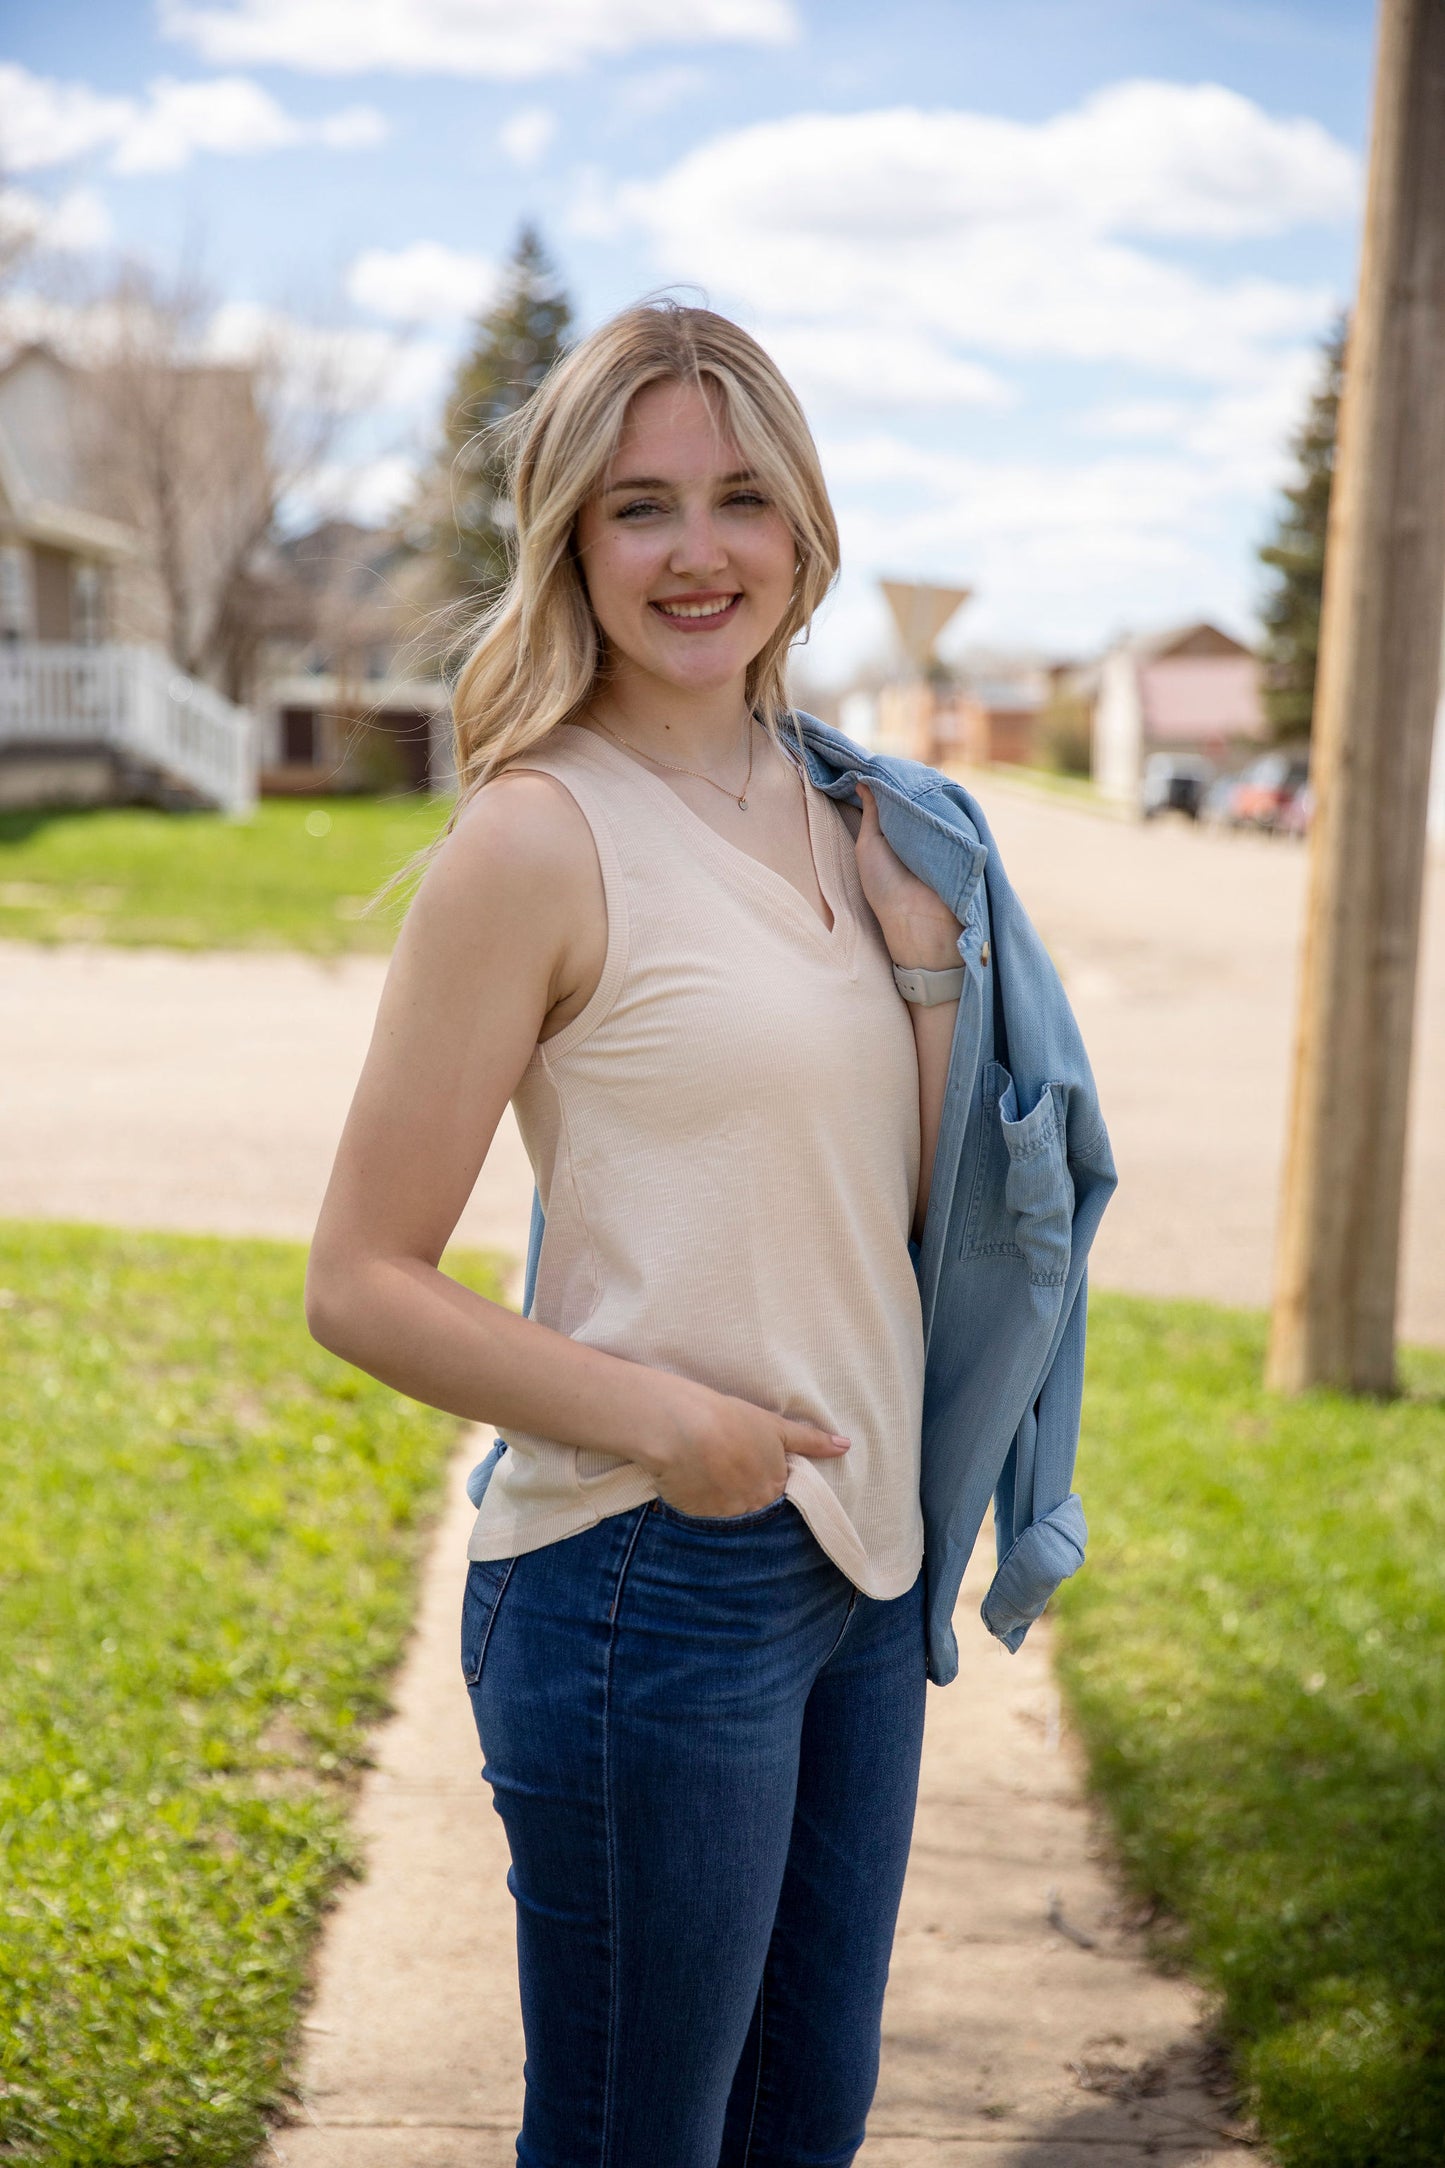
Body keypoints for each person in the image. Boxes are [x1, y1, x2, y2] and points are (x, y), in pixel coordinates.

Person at [305, 300, 1116, 2168]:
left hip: (859, 1564)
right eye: (640, 505)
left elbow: (929, 1223)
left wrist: (926, 979)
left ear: (805, 532)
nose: (696, 553)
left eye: (740, 498)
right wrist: (675, 1427)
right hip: (643, 1575)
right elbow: (359, 1281)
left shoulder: (877, 823)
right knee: (632, 2141)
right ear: (571, 537)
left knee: (799, 2127)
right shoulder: (537, 839)